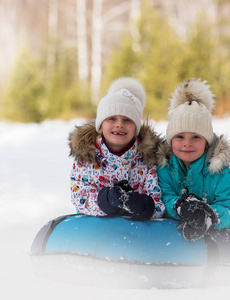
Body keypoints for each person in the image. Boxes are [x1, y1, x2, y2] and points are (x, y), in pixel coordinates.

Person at [157, 78, 230, 241]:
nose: (187, 143)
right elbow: (164, 198)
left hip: (224, 242)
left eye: (196, 137)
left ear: (207, 142)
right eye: (180, 136)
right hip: (178, 241)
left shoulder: (221, 175)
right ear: (170, 141)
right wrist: (180, 206)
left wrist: (210, 215)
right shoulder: (165, 171)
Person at [68, 77, 165, 220]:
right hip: (97, 232)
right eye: (111, 118)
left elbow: (158, 201)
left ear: (136, 129)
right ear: (100, 126)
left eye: (127, 120)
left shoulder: (147, 161)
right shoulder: (87, 158)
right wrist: (105, 200)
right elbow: (80, 196)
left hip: (135, 233)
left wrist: (144, 206)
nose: (119, 124)